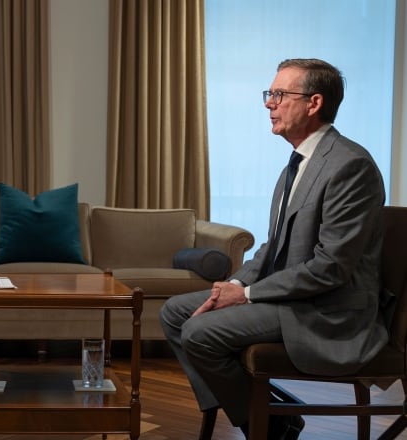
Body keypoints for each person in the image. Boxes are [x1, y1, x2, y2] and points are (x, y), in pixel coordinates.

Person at [160, 58, 388, 440]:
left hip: (325, 310)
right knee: (173, 312)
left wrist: (246, 294)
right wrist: (229, 285)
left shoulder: (350, 166)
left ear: (313, 103)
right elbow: (272, 247)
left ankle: (268, 423)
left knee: (198, 332)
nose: (269, 103)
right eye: (270, 94)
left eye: (279, 94)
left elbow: (330, 267)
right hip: (291, 299)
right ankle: (268, 417)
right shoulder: (295, 165)